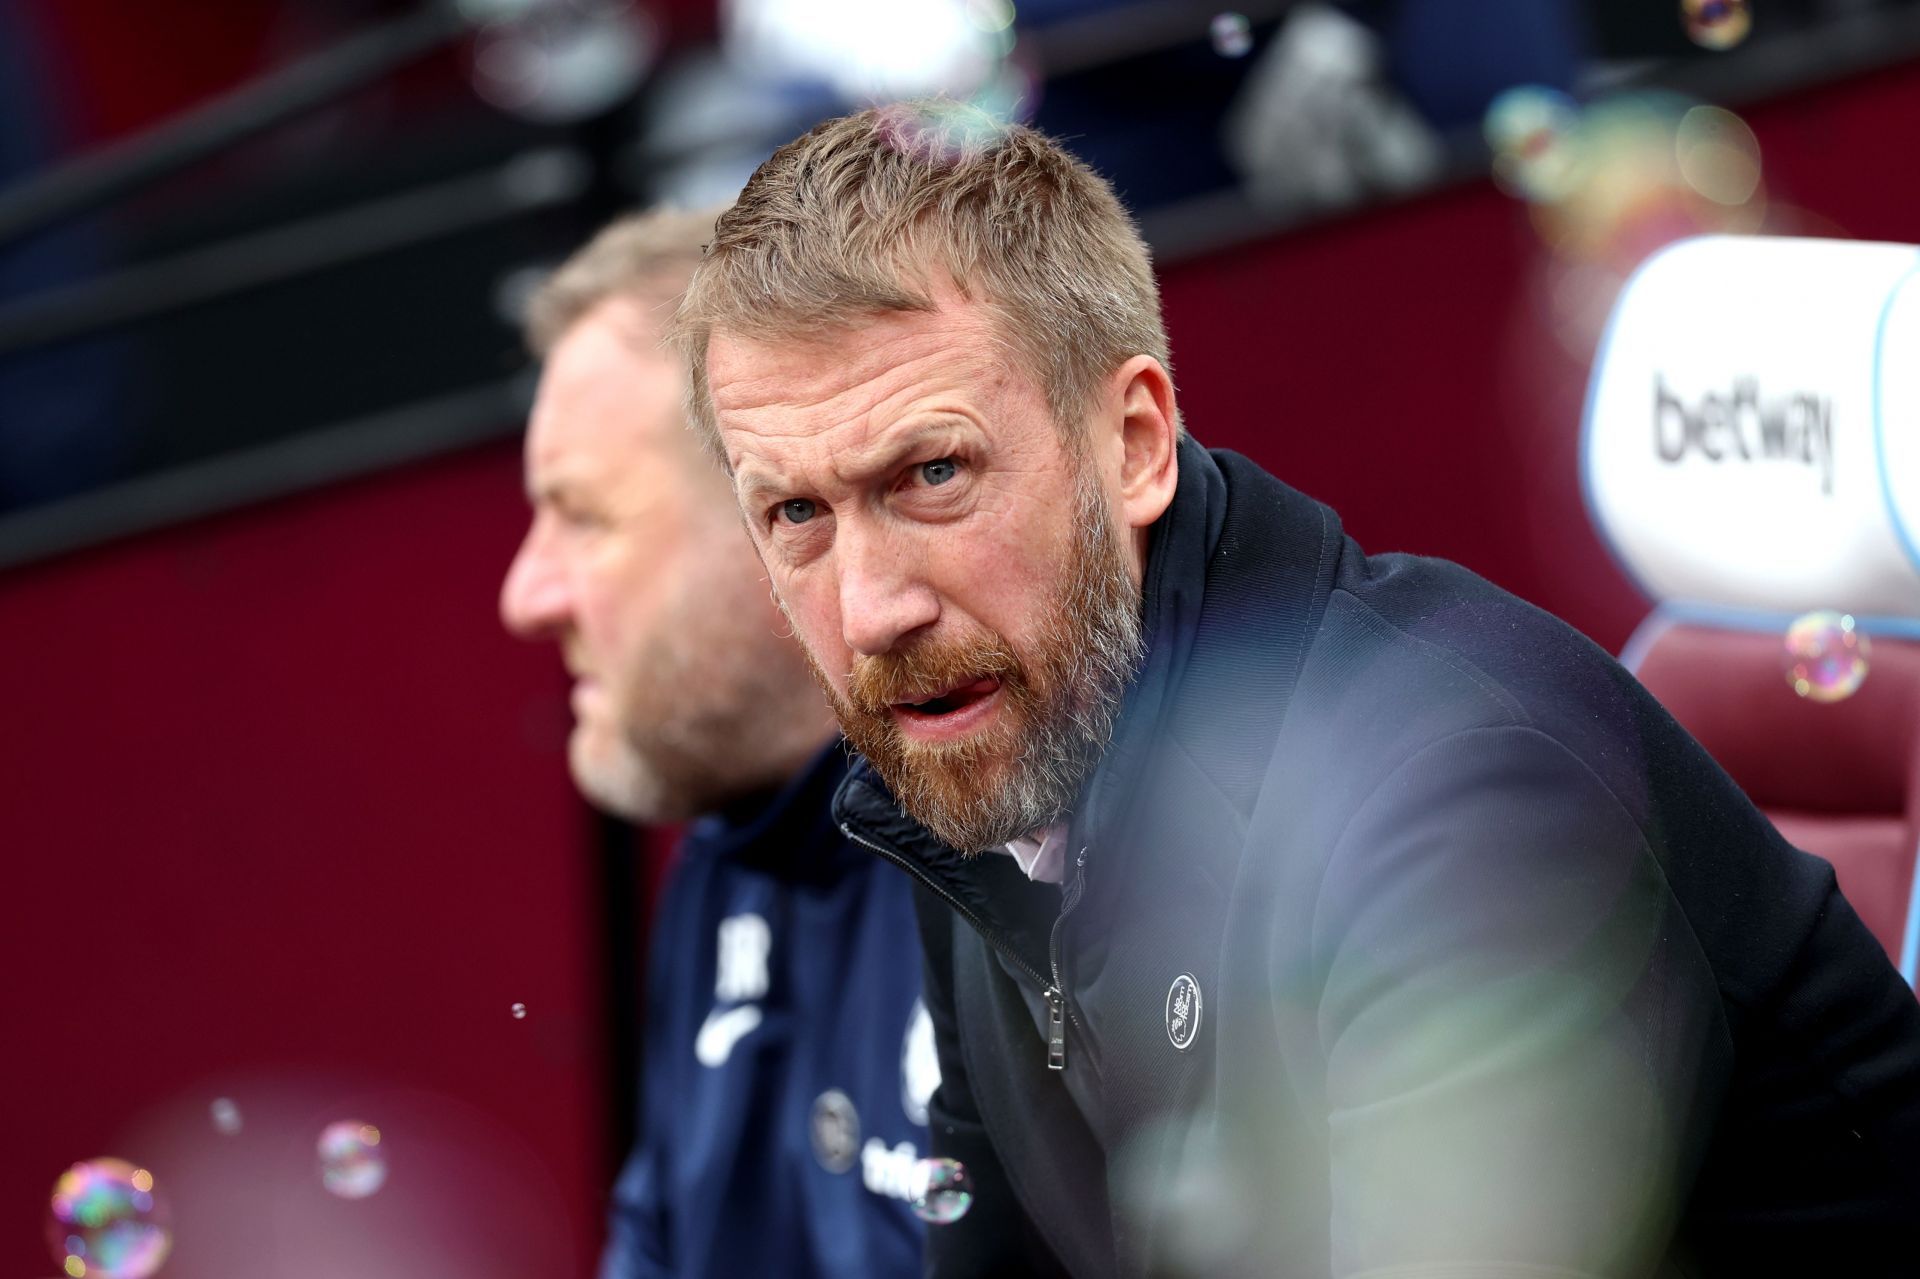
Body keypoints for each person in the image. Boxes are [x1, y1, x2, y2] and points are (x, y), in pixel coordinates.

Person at [665, 104, 1920, 1277]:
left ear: (1137, 445)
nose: (874, 607)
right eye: (796, 513)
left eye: (934, 473)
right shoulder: (982, 748)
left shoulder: (1463, 790)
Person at [499, 207, 934, 1279]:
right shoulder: (729, 858)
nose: (524, 594)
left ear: (780, 516)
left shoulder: (1063, 866)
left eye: (582, 516)